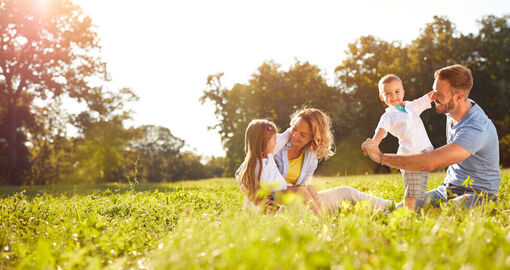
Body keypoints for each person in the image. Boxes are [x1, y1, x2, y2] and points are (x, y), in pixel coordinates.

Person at [362, 64, 501, 208]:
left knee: (445, 213)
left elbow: (429, 162)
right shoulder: (452, 110)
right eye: (434, 91)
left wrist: (381, 157)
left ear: (459, 96)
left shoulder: (476, 127)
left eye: (439, 94)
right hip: (446, 190)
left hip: (478, 194)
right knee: (401, 210)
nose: (434, 97)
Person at [371, 74, 434, 210]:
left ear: (403, 92)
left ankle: (413, 210)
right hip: (409, 155)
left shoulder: (411, 106)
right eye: (388, 93)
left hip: (425, 151)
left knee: (419, 188)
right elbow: (381, 130)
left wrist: (442, 91)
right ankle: (408, 214)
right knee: (412, 191)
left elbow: (427, 98)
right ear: (382, 97)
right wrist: (374, 143)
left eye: (397, 92)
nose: (393, 96)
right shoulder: (389, 115)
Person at [235, 119, 322, 215]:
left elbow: (284, 137)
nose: (276, 142)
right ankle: (320, 220)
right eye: (274, 139)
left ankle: (323, 214)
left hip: (280, 190)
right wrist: (258, 199)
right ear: (263, 142)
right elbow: (243, 180)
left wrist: (299, 125)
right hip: (271, 196)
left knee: (310, 188)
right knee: (302, 192)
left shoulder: (269, 155)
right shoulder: (255, 162)